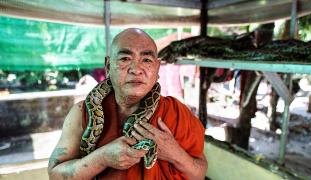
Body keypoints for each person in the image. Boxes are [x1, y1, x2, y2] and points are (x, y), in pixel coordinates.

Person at [48, 28, 207, 180]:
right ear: (108, 65)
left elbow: (198, 175)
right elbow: (55, 175)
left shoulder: (176, 112)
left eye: (146, 60)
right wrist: (102, 158)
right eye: (125, 58)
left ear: (157, 68)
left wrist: (174, 153)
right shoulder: (82, 112)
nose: (136, 69)